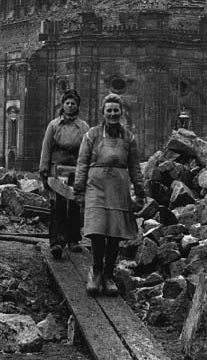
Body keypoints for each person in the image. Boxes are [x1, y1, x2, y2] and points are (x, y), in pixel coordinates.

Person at [74, 93, 145, 297]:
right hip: (96, 185)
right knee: (97, 230)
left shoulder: (129, 138)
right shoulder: (93, 135)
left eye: (116, 110)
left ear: (121, 112)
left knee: (114, 233)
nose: (113, 114)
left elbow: (135, 167)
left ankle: (108, 275)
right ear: (102, 113)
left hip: (119, 188)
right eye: (109, 110)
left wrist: (140, 192)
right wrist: (79, 190)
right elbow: (82, 163)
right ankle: (95, 272)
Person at [38, 90, 91, 260]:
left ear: (77, 106)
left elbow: (89, 151)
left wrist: (88, 172)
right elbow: (46, 148)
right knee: (58, 204)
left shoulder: (84, 127)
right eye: (67, 103)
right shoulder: (54, 125)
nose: (70, 106)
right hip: (57, 169)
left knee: (75, 205)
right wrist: (44, 170)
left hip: (76, 169)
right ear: (63, 105)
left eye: (73, 103)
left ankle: (74, 239)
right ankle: (56, 242)